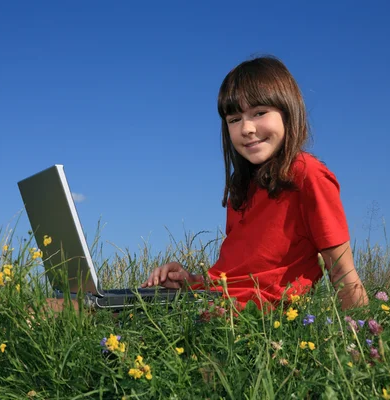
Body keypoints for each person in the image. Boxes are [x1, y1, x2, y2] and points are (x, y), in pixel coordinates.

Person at [141, 55, 369, 311]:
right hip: (214, 305)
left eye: (259, 113)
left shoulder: (308, 176)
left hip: (255, 318)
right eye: (234, 119)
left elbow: (343, 275)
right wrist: (189, 282)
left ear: (288, 112)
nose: (246, 128)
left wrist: (359, 337)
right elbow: (236, 276)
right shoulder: (242, 189)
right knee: (104, 305)